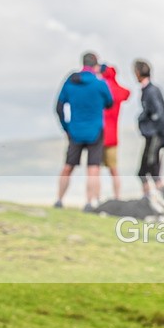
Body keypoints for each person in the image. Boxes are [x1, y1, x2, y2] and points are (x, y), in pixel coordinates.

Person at [54, 52, 113, 210]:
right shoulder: (99, 84)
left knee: (68, 166)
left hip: (75, 130)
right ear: (95, 65)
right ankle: (89, 202)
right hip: (95, 130)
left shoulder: (71, 81)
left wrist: (66, 127)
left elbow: (59, 107)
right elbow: (109, 102)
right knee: (93, 168)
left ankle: (59, 200)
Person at [134, 58, 164, 199]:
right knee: (149, 171)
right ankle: (155, 199)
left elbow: (160, 115)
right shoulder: (148, 90)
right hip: (153, 136)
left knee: (147, 171)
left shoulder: (151, 91)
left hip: (154, 137)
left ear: (138, 73)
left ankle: (160, 200)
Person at [101, 64, 131, 200]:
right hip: (112, 135)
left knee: (94, 168)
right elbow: (127, 93)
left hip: (99, 134)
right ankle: (117, 196)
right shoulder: (118, 90)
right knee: (114, 169)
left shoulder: (102, 87)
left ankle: (95, 198)